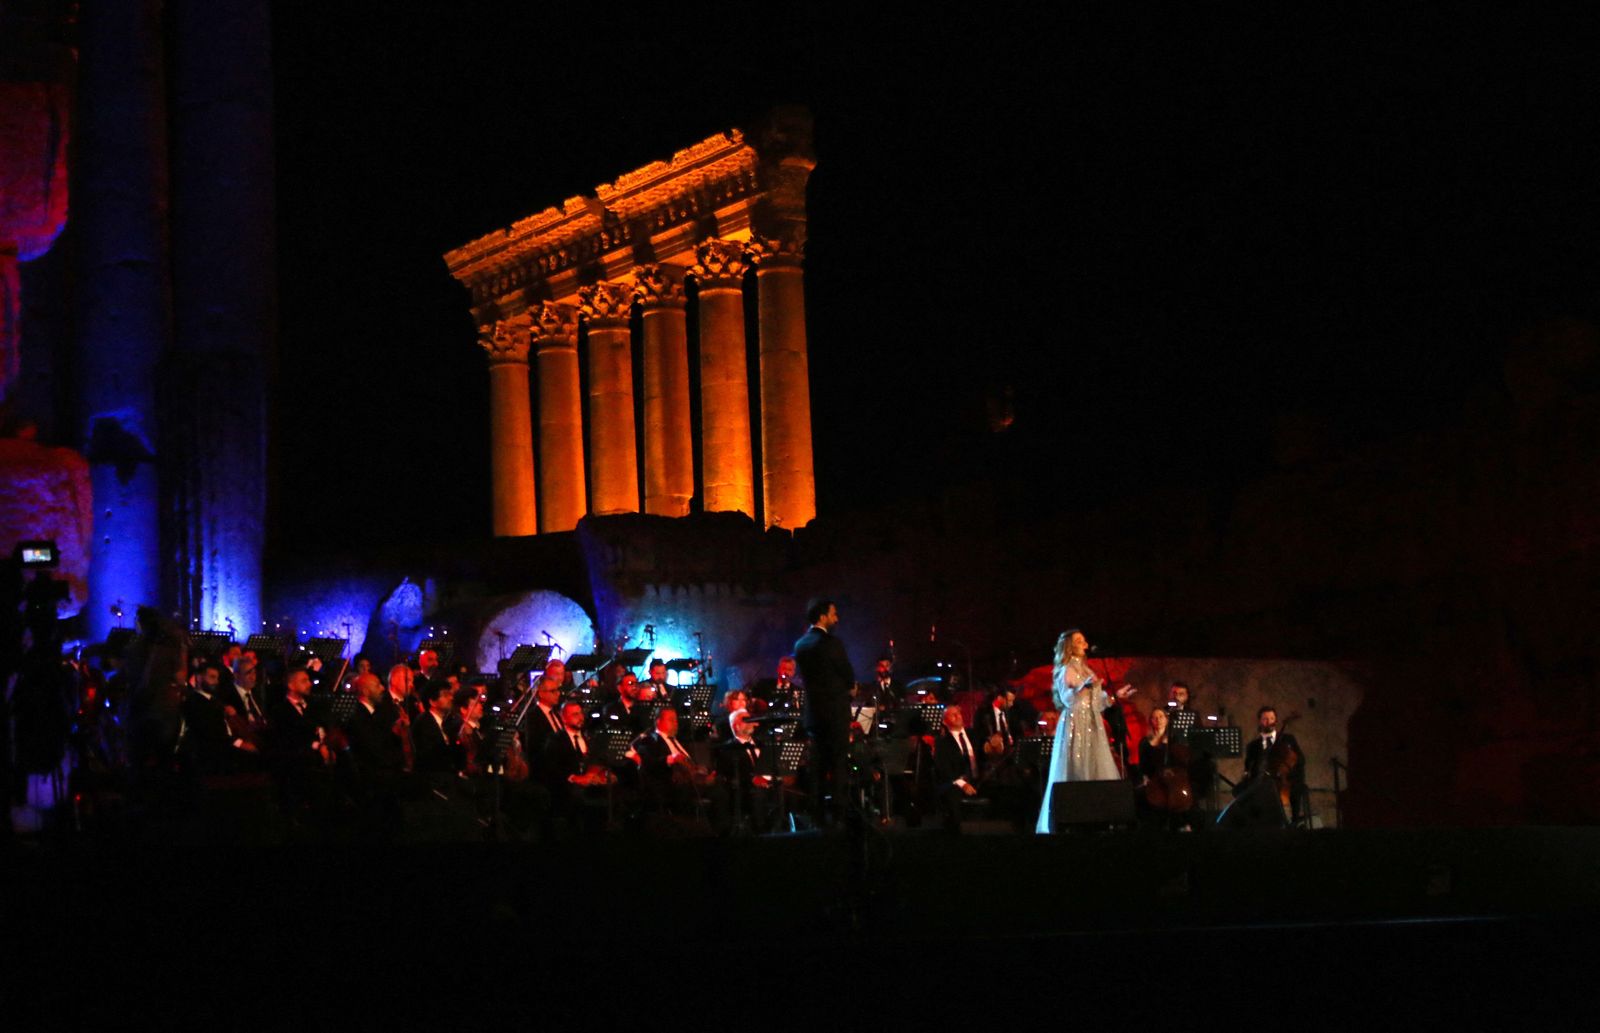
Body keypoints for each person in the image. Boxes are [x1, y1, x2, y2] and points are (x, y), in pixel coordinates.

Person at [1034, 628, 1132, 834]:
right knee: (1076, 763)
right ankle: (1071, 816)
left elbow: (1096, 702)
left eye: (1084, 640)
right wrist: (1082, 687)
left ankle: (1098, 816)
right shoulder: (1066, 669)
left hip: (1091, 722)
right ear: (1070, 645)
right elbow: (1067, 699)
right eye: (1079, 640)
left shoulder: (1088, 670)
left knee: (1094, 761)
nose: (1084, 643)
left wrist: (1114, 697)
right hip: (1075, 723)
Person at [793, 598, 854, 829]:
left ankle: (816, 815)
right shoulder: (832, 643)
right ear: (822, 616)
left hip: (814, 713)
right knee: (838, 763)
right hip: (835, 712)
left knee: (817, 765)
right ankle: (839, 815)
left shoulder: (800, 645)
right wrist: (849, 685)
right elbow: (847, 673)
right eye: (833, 614)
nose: (836, 618)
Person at [1243, 705, 1306, 822]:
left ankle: (1293, 823)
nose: (1268, 722)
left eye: (1271, 718)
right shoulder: (1252, 746)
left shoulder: (1288, 739)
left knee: (1293, 795)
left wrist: (1286, 773)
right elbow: (1248, 767)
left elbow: (1300, 760)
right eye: (1264, 719)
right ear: (1259, 721)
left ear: (1276, 721)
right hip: (1261, 786)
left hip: (1286, 783)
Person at [932, 704, 982, 832]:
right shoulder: (942, 742)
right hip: (955, 782)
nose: (957, 716)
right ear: (944, 721)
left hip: (980, 779)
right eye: (952, 715)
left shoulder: (974, 735)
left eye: (958, 713)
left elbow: (984, 754)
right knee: (952, 796)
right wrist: (963, 784)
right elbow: (944, 769)